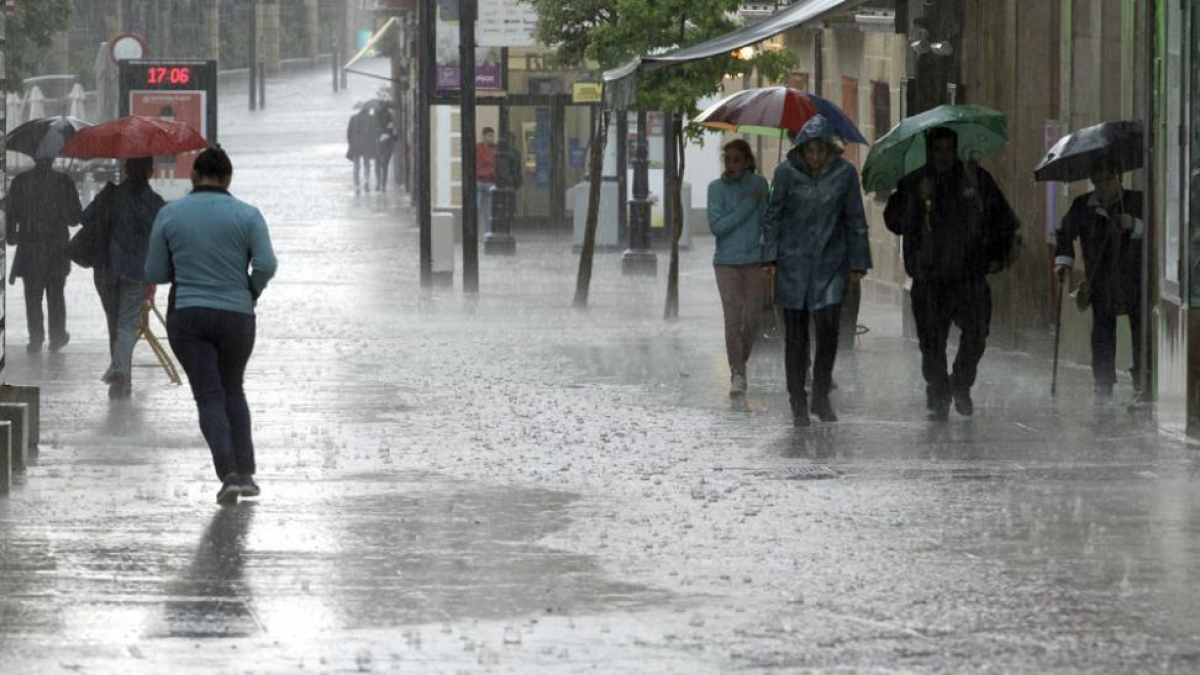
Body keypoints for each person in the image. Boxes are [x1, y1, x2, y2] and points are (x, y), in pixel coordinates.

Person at [145, 146, 278, 505]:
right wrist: (250, 288)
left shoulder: (170, 215)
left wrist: (185, 267)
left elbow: (154, 272)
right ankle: (247, 472)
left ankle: (228, 475)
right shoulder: (248, 215)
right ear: (228, 179)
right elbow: (266, 263)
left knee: (209, 395)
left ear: (193, 177)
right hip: (237, 316)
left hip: (188, 316)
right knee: (233, 388)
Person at [884, 127, 1019, 421]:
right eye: (937, 150)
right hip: (929, 277)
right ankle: (939, 392)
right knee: (931, 342)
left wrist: (997, 256)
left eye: (948, 150)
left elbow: (1002, 218)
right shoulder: (913, 182)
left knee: (977, 333)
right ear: (929, 152)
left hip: (968, 274)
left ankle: (961, 382)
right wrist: (917, 200)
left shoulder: (975, 179)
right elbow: (896, 223)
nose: (943, 156)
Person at [762, 116, 871, 426]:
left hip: (830, 263)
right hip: (793, 264)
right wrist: (769, 256)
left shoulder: (844, 175)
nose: (814, 157)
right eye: (809, 151)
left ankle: (820, 394)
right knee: (795, 338)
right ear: (801, 150)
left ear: (828, 150)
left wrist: (858, 260)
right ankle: (797, 399)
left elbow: (854, 218)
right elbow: (773, 215)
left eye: (820, 151)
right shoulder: (785, 174)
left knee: (828, 333)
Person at [1054, 156, 1144, 400]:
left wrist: (1134, 224)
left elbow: (1155, 231)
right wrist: (1064, 261)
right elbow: (1065, 232)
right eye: (1097, 181)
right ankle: (1103, 383)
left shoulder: (1136, 201)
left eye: (1108, 180)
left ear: (1119, 178)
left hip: (1133, 278)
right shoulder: (1083, 206)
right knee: (1103, 330)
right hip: (1101, 278)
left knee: (1140, 330)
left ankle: (1140, 380)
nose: (1103, 186)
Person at [79, 157, 166, 397]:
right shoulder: (156, 203)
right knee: (126, 324)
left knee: (114, 323)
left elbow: (84, 219)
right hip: (136, 270)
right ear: (151, 171)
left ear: (126, 170)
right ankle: (121, 374)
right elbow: (162, 239)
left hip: (106, 268)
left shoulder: (110, 195)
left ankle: (120, 378)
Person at [708, 139, 770, 397]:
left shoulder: (759, 184)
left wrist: (770, 254)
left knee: (753, 317)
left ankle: (740, 359)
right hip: (726, 262)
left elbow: (767, 219)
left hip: (755, 259)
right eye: (728, 160)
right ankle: (737, 373)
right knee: (732, 316)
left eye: (736, 160)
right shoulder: (716, 189)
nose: (731, 165)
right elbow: (718, 227)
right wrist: (747, 206)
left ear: (747, 161)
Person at [7, 158, 82, 353]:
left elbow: (10, 213)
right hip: (56, 248)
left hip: (29, 247)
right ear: (53, 158)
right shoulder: (64, 182)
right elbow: (75, 219)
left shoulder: (20, 181)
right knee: (56, 294)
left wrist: (11, 235)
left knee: (32, 295)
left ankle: (36, 338)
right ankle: (57, 337)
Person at [346, 107, 377, 193]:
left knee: (356, 166)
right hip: (367, 145)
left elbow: (349, 133)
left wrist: (351, 142)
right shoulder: (371, 118)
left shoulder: (353, 118)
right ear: (367, 110)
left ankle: (356, 185)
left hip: (356, 145)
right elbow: (373, 132)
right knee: (366, 164)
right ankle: (366, 181)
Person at [477, 127, 497, 233]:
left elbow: (492, 162)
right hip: (479, 181)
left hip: (490, 181)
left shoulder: (495, 148)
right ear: (484, 136)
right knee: (477, 208)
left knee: (489, 211)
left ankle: (488, 233)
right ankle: (473, 233)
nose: (492, 138)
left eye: (493, 136)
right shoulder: (478, 147)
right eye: (489, 135)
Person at [375, 104, 397, 192]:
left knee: (378, 165)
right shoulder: (390, 116)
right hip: (388, 144)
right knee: (385, 166)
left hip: (378, 144)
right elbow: (394, 133)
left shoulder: (376, 116)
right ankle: (383, 185)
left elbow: (373, 130)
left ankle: (378, 183)